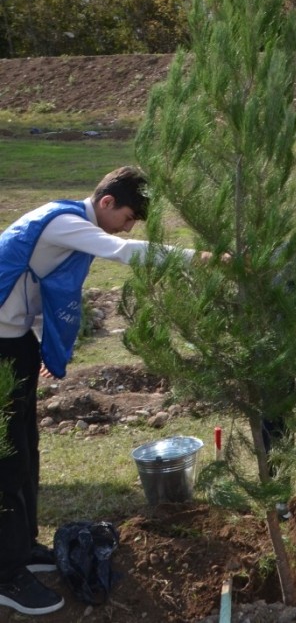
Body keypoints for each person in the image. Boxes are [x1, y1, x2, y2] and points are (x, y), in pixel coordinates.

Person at [0, 168, 196, 616]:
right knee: (6, 460)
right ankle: (5, 574)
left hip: (15, 346)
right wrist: (197, 258)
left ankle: (22, 546)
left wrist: (42, 346)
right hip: (0, 348)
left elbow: (32, 285)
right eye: (128, 216)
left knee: (26, 450)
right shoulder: (65, 221)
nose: (128, 227)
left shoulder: (67, 225)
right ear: (106, 203)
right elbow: (124, 252)